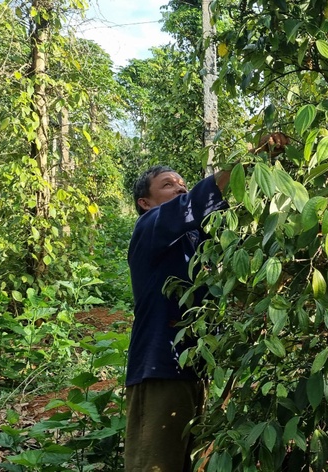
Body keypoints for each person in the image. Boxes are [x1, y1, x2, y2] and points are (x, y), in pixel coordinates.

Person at [124, 133, 288, 471]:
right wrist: (250, 155)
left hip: (190, 372)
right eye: (169, 184)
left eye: (182, 182)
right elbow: (199, 201)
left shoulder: (197, 243)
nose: (180, 187)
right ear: (145, 202)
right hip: (159, 370)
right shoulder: (149, 227)